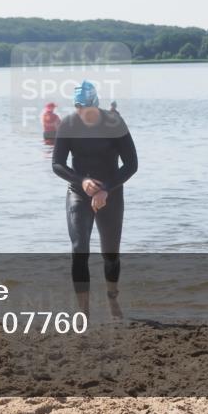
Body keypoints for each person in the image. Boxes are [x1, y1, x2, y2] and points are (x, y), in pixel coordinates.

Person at [52, 80, 137, 319]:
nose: (83, 114)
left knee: (110, 254)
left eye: (87, 109)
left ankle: (112, 298)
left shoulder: (114, 123)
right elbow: (57, 164)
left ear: (96, 105)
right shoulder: (69, 124)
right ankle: (84, 313)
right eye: (79, 109)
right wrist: (82, 182)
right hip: (79, 193)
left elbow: (132, 164)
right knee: (79, 250)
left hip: (111, 192)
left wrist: (105, 189)